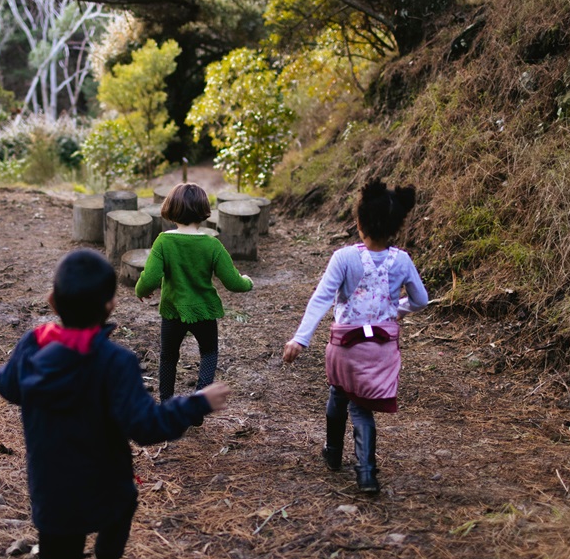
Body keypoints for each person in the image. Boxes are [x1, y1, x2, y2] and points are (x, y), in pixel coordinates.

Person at [0, 249, 230, 559]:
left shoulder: (34, 343)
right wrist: (196, 404)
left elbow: (5, 386)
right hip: (105, 489)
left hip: (51, 493)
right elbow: (146, 426)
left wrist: (29, 364)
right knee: (125, 502)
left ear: (52, 301)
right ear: (110, 306)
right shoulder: (114, 361)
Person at [282, 179, 428, 494]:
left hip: (346, 346)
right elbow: (421, 300)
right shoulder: (401, 261)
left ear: (359, 222)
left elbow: (321, 298)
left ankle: (333, 453)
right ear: (397, 226)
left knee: (339, 394)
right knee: (361, 407)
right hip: (380, 348)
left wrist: (301, 338)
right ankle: (366, 473)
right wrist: (397, 309)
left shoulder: (344, 258)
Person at [135, 182, 253, 403]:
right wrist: (248, 282)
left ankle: (167, 403)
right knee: (208, 353)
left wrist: (141, 290)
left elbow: (150, 277)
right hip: (204, 312)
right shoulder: (212, 245)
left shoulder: (164, 241)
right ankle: (200, 400)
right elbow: (233, 282)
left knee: (168, 357)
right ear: (203, 211)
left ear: (171, 209)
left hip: (173, 312)